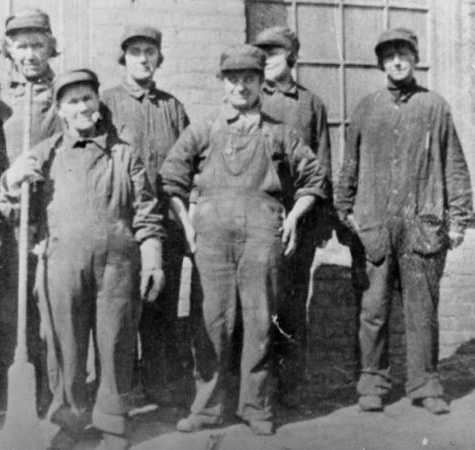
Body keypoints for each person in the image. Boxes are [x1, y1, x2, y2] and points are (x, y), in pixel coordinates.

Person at [160, 45, 327, 436]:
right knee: (211, 323)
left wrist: (294, 218)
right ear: (223, 84)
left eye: (249, 79)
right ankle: (206, 408)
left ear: (260, 84)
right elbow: (171, 178)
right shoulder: (203, 130)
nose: (241, 87)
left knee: (259, 322)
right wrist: (186, 225)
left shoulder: (280, 133)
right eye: (233, 79)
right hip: (212, 239)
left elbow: (314, 178)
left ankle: (256, 407)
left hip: (262, 235)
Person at [0, 69, 165, 450]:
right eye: (73, 101)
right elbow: (11, 208)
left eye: (88, 98)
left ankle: (113, 422)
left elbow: (147, 212)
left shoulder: (124, 153)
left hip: (118, 265)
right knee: (65, 346)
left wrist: (153, 259)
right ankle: (68, 421)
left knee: (116, 342)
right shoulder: (45, 152)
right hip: (61, 263)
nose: (83, 106)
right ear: (60, 110)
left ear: (98, 102)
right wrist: (11, 180)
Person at [334, 28, 473, 415]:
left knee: (421, 313)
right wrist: (343, 211)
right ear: (381, 62)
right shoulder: (366, 108)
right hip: (374, 227)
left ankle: (425, 384)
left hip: (421, 228)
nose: (397, 61)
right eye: (390, 55)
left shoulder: (435, 107)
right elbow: (350, 164)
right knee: (373, 311)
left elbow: (454, 165)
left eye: (404, 54)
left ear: (414, 59)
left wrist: (459, 217)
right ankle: (373, 383)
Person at [101, 24, 191, 407]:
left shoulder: (173, 107)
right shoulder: (106, 103)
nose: (143, 58)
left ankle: (157, 384)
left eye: (149, 51)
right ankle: (117, 389)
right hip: (122, 222)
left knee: (161, 306)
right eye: (135, 51)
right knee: (119, 308)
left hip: (164, 225)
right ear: (124, 57)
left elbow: (188, 163)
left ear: (158, 57)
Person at [0, 7, 61, 409]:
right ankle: (9, 400)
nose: (30, 53)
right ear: (8, 49)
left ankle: (52, 392)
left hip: (52, 217)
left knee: (51, 306)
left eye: (37, 44)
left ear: (50, 46)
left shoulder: (65, 92)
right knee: (13, 307)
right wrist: (0, 203)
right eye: (21, 45)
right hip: (10, 216)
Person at [252, 26, 332, 405]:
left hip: (298, 222)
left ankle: (290, 388)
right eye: (262, 53)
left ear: (292, 57)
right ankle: (254, 390)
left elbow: (321, 166)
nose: (267, 60)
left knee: (292, 307)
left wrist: (315, 224)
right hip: (257, 221)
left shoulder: (310, 105)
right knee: (255, 306)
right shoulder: (250, 99)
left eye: (275, 53)